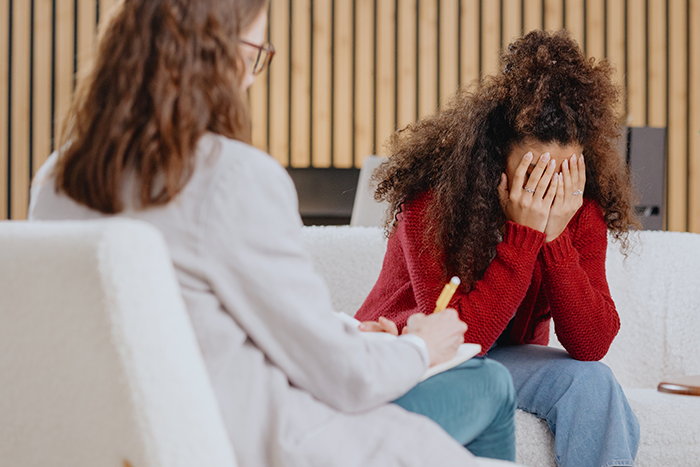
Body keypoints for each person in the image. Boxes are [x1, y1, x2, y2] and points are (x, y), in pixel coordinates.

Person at [27, 0, 518, 465]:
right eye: (254, 55)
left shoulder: (56, 181)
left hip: (131, 442)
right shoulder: (230, 178)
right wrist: (420, 346)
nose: (250, 79)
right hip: (262, 444)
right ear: (219, 57)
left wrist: (342, 330)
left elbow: (198, 314)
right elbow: (344, 377)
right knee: (490, 384)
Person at [355, 29, 641, 467]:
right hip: (417, 351)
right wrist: (523, 237)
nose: (551, 189)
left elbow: (592, 343)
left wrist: (556, 239)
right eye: (534, 171)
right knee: (484, 377)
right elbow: (456, 342)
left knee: (596, 385)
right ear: (497, 156)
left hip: (506, 359)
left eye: (565, 172)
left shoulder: (579, 209)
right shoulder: (432, 202)